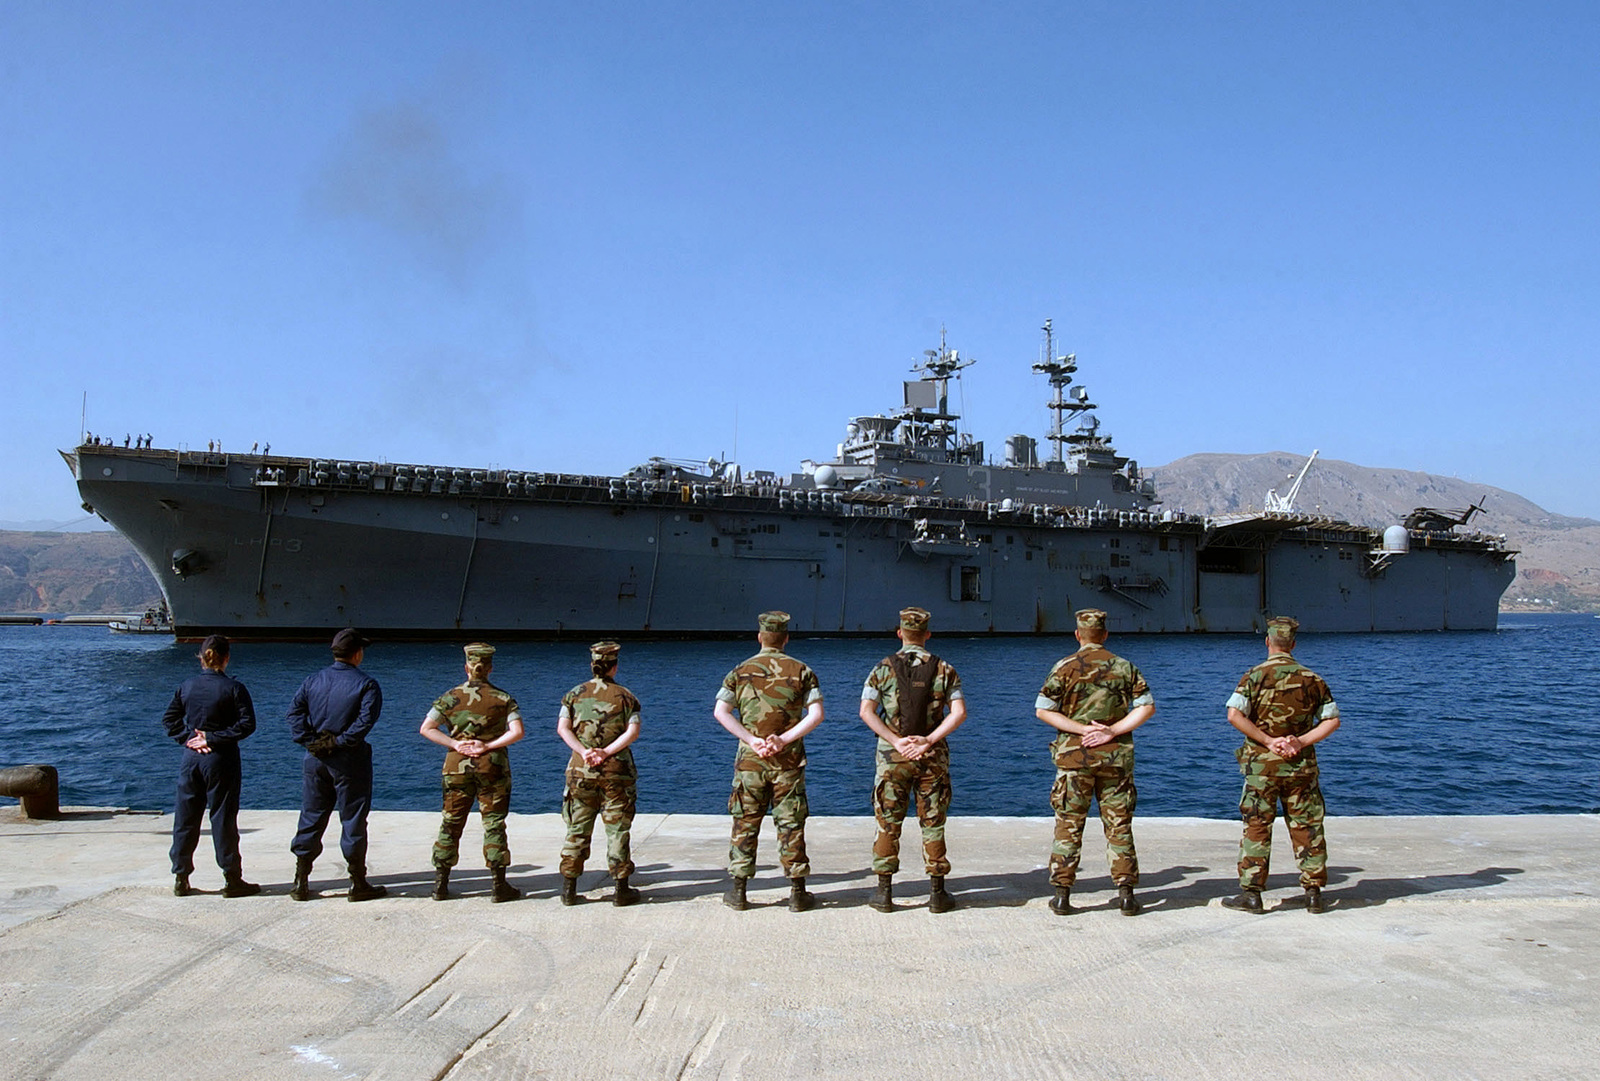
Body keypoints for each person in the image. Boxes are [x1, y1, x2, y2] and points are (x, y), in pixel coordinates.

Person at [1034, 608, 1155, 916]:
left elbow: (1043, 710)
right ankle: (1126, 894)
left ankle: (1062, 895)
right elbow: (1146, 708)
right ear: (1104, 634)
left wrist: (1081, 729)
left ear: (1078, 635)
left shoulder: (1064, 667)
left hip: (1074, 759)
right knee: (1119, 825)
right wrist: (1111, 730)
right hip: (1114, 759)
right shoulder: (1124, 667)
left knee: (1069, 825)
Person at [1222, 616, 1342, 915]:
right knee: (1307, 827)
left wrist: (1267, 740)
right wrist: (1299, 741)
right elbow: (1332, 720)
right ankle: (1313, 892)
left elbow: (1234, 715)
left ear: (1268, 642)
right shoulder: (1313, 679)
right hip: (1300, 766)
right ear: (1293, 644)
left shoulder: (1253, 676)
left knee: (1257, 826)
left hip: (1262, 768)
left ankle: (1252, 894)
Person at [857, 606, 967, 913]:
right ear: (927, 634)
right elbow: (959, 713)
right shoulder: (945, 669)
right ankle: (937, 893)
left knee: (888, 822)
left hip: (892, 758)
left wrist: (896, 741)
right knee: (933, 823)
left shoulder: (881, 669)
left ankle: (883, 892)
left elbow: (865, 711)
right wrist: (928, 740)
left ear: (900, 633)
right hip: (932, 755)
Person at [713, 610, 824, 912]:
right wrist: (783, 740)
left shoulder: (739, 670)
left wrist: (752, 740)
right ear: (786, 638)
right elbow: (816, 715)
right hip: (787, 762)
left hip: (750, 761)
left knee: (745, 823)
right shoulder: (803, 671)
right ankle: (798, 892)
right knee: (790, 823)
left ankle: (739, 891)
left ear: (760, 637)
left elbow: (721, 712)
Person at [420, 642, 525, 903]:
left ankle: (440, 884)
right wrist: (488, 745)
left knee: (451, 822)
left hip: (456, 767)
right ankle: (499, 886)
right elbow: (517, 732)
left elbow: (427, 728)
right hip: (492, 765)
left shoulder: (449, 697)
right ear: (489, 668)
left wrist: (455, 744)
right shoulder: (503, 699)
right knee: (493, 823)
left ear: (466, 667)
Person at [286, 628, 385, 902]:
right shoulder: (367, 685)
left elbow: (293, 713)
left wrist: (310, 741)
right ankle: (357, 882)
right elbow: (364, 722)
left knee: (311, 816)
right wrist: (339, 742)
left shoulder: (312, 680)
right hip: (349, 760)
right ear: (357, 654)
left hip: (315, 759)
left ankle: (301, 880)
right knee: (352, 819)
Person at [161, 634, 260, 897]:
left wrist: (190, 739)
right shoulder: (234, 689)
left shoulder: (187, 686)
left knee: (185, 817)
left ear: (201, 657)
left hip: (191, 759)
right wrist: (213, 738)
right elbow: (247, 725)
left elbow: (170, 719)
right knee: (223, 817)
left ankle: (181, 877)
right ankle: (232, 878)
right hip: (221, 758)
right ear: (226, 658)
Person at [556, 641, 643, 906]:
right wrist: (606, 752)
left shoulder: (573, 695)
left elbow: (563, 728)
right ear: (614, 667)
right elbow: (633, 732)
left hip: (581, 771)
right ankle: (620, 888)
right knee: (617, 829)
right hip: (616, 771)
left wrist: (585, 752)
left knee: (577, 827)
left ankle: (569, 888)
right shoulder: (626, 696)